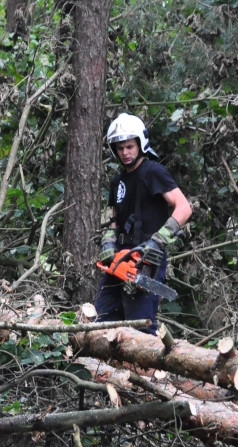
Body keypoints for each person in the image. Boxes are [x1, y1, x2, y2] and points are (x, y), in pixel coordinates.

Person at [96, 113, 193, 331]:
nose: (125, 152)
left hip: (146, 258)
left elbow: (184, 207)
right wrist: (108, 241)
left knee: (139, 325)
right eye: (120, 148)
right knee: (102, 319)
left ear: (140, 143)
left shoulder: (153, 171)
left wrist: (158, 240)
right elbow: (113, 216)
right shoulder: (117, 181)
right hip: (119, 257)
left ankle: (145, 365)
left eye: (129, 146)